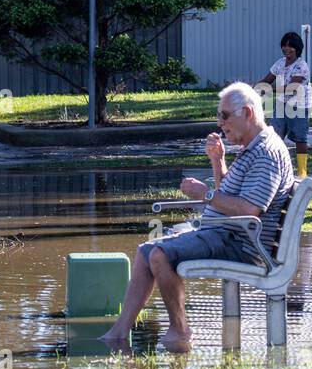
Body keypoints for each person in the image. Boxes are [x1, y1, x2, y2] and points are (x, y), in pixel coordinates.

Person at [100, 82, 296, 351]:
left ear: (248, 113)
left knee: (159, 254)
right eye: (218, 117)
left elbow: (249, 210)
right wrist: (218, 162)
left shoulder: (266, 152)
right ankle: (119, 333)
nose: (220, 124)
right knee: (146, 250)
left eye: (224, 116)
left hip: (241, 243)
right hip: (227, 233)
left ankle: (180, 331)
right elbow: (231, 195)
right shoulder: (252, 148)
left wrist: (204, 194)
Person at [260, 30, 311, 177]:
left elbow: (292, 89)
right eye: (285, 46)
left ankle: (302, 172)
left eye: (291, 46)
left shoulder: (301, 66)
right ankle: (275, 169)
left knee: (300, 138)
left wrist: (268, 89)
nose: (287, 49)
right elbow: (267, 80)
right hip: (282, 104)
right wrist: (254, 88)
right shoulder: (280, 63)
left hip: (300, 105)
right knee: (274, 137)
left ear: (297, 49)